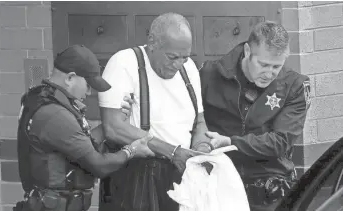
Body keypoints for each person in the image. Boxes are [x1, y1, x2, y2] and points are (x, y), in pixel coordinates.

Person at [15, 45, 153, 211]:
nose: (88, 92)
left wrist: (111, 123)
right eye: (88, 84)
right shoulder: (54, 114)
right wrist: (131, 151)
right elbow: (99, 165)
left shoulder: (49, 102)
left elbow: (81, 142)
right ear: (70, 78)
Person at [97, 13, 213, 211]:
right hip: (136, 175)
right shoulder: (124, 63)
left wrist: (201, 149)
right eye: (172, 57)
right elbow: (113, 128)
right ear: (152, 42)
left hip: (181, 172)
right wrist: (172, 151)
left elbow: (199, 121)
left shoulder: (189, 68)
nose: (178, 64)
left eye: (184, 57)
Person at [199, 21, 311, 210]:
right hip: (219, 188)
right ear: (247, 51)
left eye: (276, 67)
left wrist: (231, 142)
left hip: (270, 193)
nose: (269, 74)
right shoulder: (209, 74)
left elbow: (281, 141)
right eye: (263, 64)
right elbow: (190, 118)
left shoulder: (294, 85)